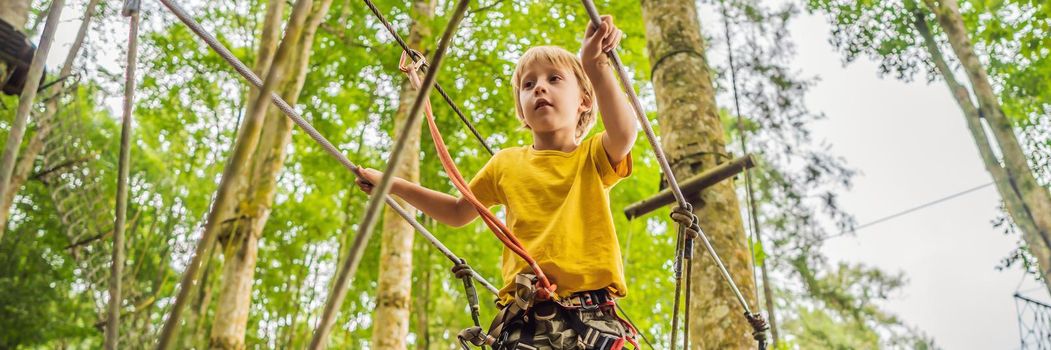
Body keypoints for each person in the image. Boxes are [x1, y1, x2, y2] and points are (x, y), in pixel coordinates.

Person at [356, 15, 638, 350]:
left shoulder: (592, 156)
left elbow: (625, 132)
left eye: (554, 79)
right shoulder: (506, 163)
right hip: (524, 320)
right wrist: (393, 184)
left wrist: (595, 66)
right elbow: (459, 211)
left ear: (584, 101)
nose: (540, 88)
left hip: (588, 317)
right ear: (521, 109)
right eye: (528, 85)